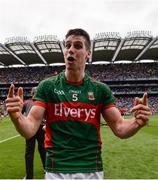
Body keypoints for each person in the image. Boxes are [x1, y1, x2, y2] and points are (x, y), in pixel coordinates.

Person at [5, 28, 152, 180]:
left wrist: (137, 122)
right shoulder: (47, 87)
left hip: (91, 169)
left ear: (88, 54)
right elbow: (30, 128)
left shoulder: (100, 90)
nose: (70, 50)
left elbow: (120, 127)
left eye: (77, 46)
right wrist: (17, 117)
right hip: (57, 170)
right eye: (67, 45)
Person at [22, 87, 46, 179]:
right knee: (43, 149)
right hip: (41, 126)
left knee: (29, 152)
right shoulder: (43, 102)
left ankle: (29, 176)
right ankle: (46, 169)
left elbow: (20, 113)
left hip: (30, 126)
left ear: (32, 93)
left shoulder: (27, 102)